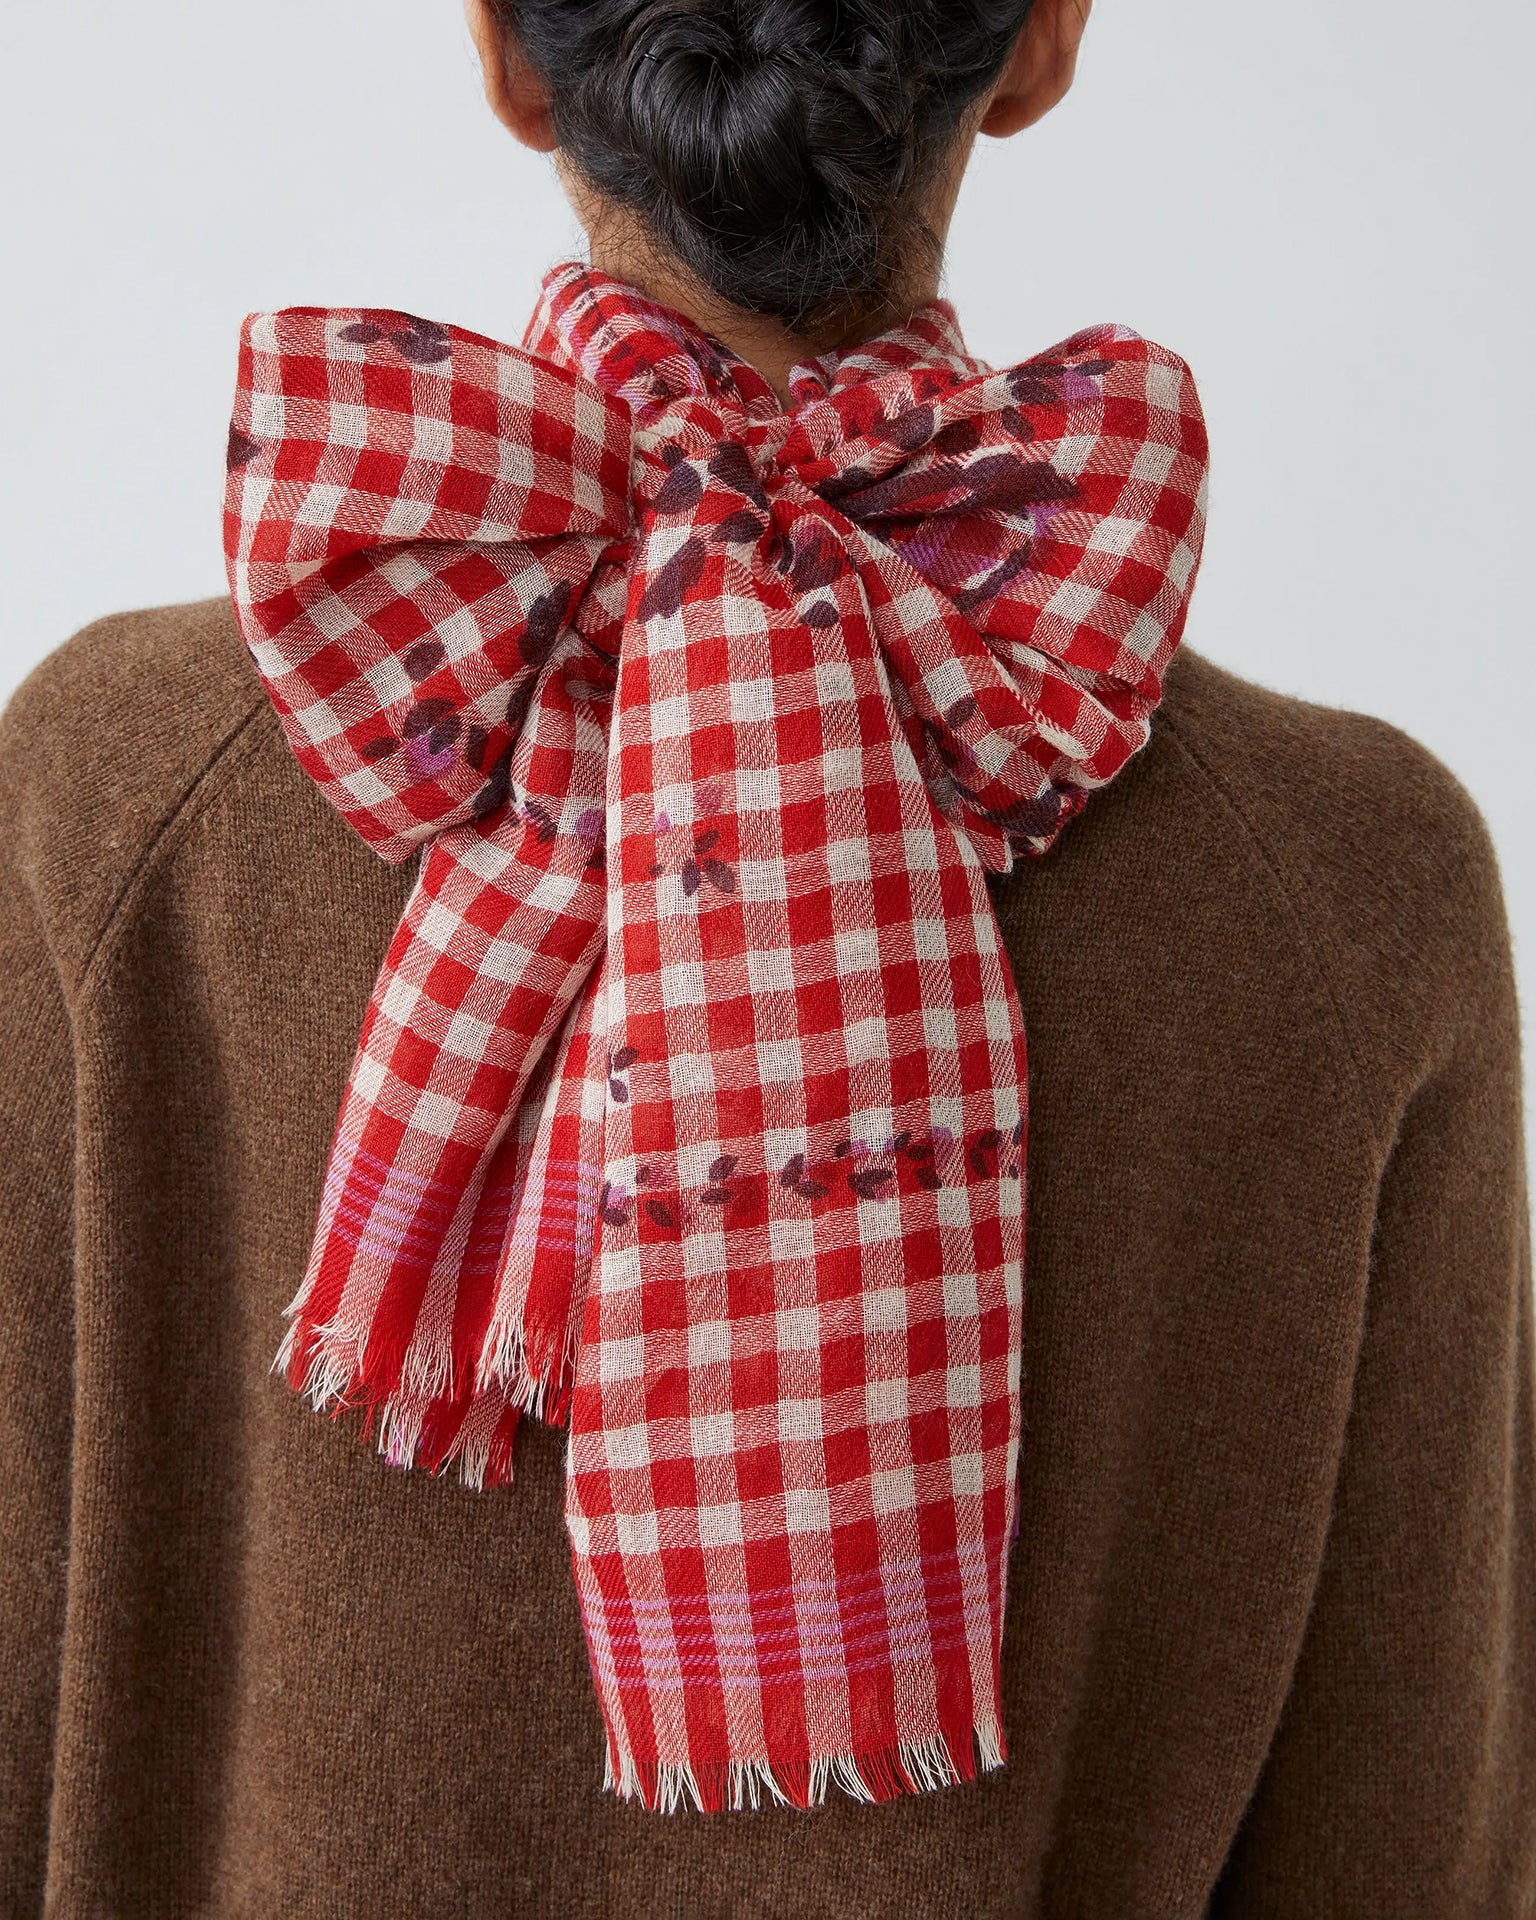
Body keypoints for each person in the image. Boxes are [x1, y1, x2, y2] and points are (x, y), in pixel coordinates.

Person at [0, 0, 1529, 1912]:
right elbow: (1418, 1863)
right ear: (1043, 41)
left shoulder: (108, 802)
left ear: (511, 54)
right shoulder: (1366, 900)